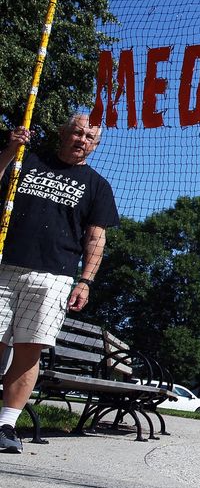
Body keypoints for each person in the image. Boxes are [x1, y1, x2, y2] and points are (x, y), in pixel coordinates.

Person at [0, 114, 118, 454]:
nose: (81, 139)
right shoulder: (26, 158)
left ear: (95, 147)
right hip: (5, 265)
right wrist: (10, 148)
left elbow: (96, 237)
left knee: (29, 349)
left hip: (53, 276)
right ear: (63, 133)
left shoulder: (97, 186)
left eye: (89, 137)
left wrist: (86, 281)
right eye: (77, 132)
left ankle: (6, 423)